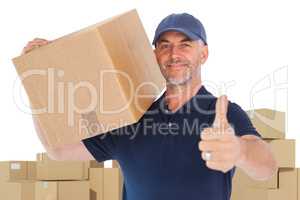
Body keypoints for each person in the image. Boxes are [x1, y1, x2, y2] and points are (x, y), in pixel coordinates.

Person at [22, 13, 277, 200]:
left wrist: (239, 151)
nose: (174, 53)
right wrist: (36, 84)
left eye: (185, 44)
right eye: (164, 46)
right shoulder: (133, 117)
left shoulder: (224, 113)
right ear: (155, 55)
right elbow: (59, 150)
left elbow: (266, 167)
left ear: (204, 54)